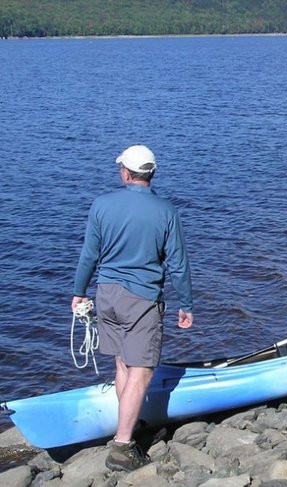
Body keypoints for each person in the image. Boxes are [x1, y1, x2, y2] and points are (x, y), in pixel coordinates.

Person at [71, 145, 194, 472]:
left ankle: (132, 423)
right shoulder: (166, 210)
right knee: (142, 370)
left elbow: (89, 255)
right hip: (142, 298)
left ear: (126, 173)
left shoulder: (101, 205)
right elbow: (179, 265)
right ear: (150, 174)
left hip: (106, 294)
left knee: (124, 366)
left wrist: (78, 292)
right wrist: (187, 304)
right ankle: (123, 445)